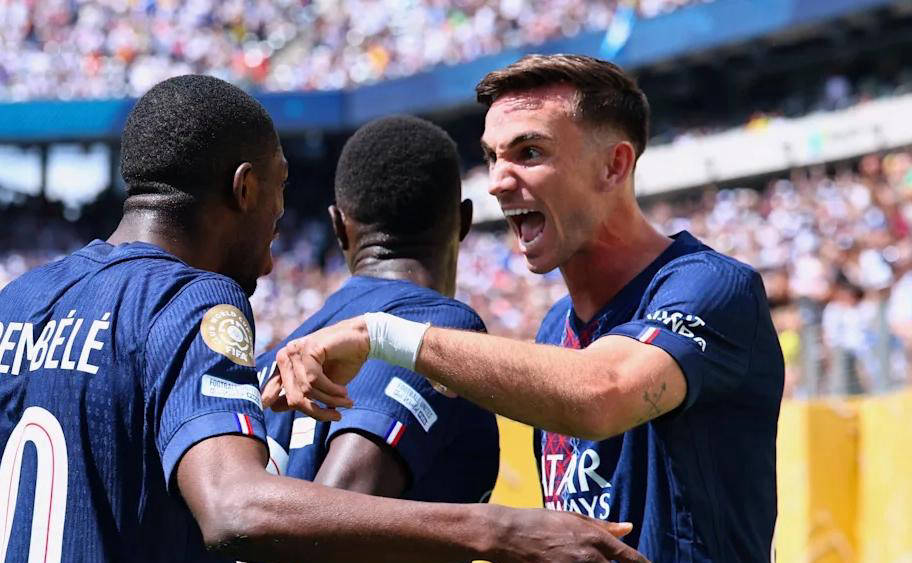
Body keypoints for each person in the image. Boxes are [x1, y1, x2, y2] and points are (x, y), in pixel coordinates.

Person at [0, 74, 646, 563]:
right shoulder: (189, 301)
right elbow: (237, 507)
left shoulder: (19, 302)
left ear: (341, 227)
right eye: (280, 197)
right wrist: (500, 530)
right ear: (245, 188)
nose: (275, 250)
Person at [265, 54, 785, 562]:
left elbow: (602, 393)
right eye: (493, 157)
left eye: (529, 152)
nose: (496, 180)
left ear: (614, 165)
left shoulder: (712, 287)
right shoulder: (555, 328)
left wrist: (382, 335)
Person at [258, 115, 500, 507]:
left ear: (338, 226)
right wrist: (500, 532)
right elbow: (333, 519)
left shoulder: (277, 358)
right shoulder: (435, 331)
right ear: (464, 221)